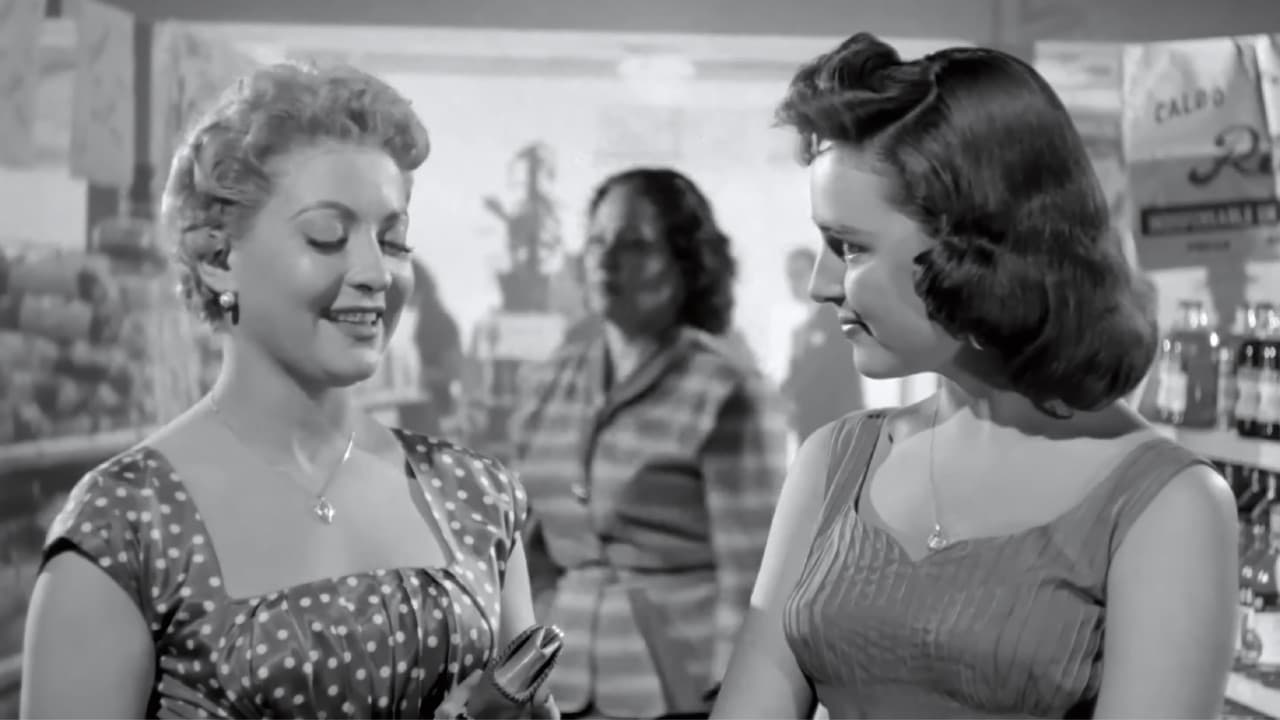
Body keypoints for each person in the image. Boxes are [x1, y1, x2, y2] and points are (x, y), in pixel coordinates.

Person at [712, 33, 1237, 719]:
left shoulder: (1168, 504)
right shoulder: (835, 464)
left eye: (849, 247)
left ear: (971, 249)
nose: (821, 283)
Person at [21, 63, 552, 719]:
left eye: (393, 241)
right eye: (327, 236)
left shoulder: (476, 499)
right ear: (218, 259)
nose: (375, 272)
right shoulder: (129, 526)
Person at [511, 167, 789, 719]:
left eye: (634, 245)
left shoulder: (726, 390)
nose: (607, 260)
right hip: (559, 689)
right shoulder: (548, 385)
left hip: (683, 694)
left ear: (685, 263)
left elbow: (754, 581)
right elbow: (527, 551)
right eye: (597, 242)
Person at [779, 247, 864, 442]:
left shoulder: (836, 321)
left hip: (835, 430)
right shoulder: (802, 331)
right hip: (811, 430)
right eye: (790, 276)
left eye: (799, 274)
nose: (794, 282)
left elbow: (831, 375)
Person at [399, 258, 464, 438]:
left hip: (436, 410)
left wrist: (421, 375)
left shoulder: (439, 322)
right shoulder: (425, 319)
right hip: (428, 407)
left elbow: (453, 371)